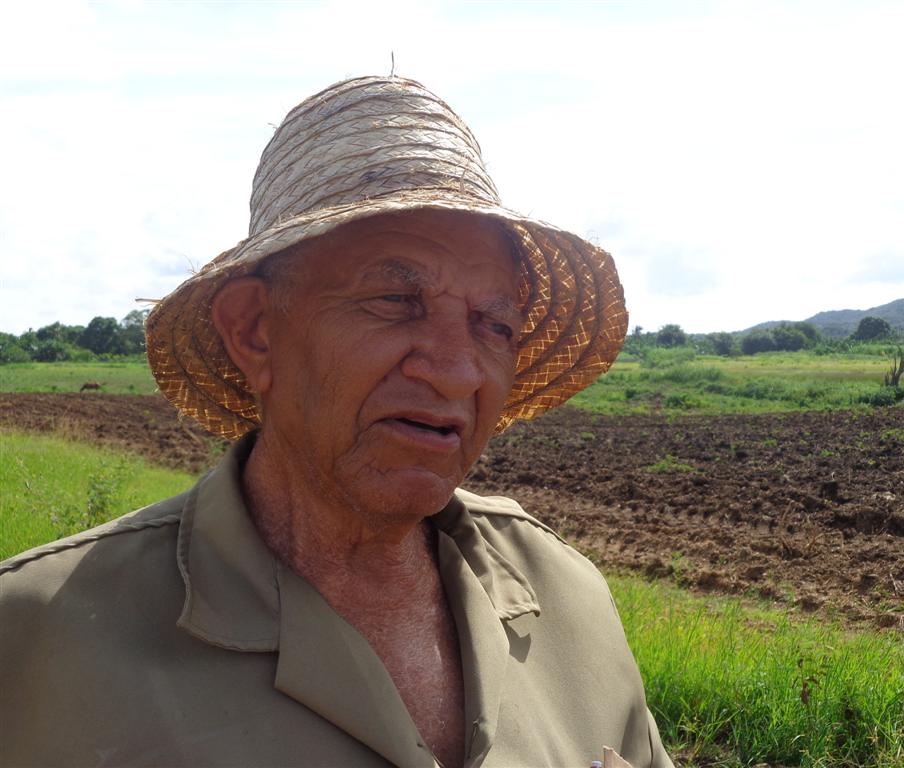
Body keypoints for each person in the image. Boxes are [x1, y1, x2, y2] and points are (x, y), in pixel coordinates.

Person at [0, 76, 672, 768]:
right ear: (255, 330)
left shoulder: (567, 600)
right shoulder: (37, 641)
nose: (457, 372)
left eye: (493, 325)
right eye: (394, 300)